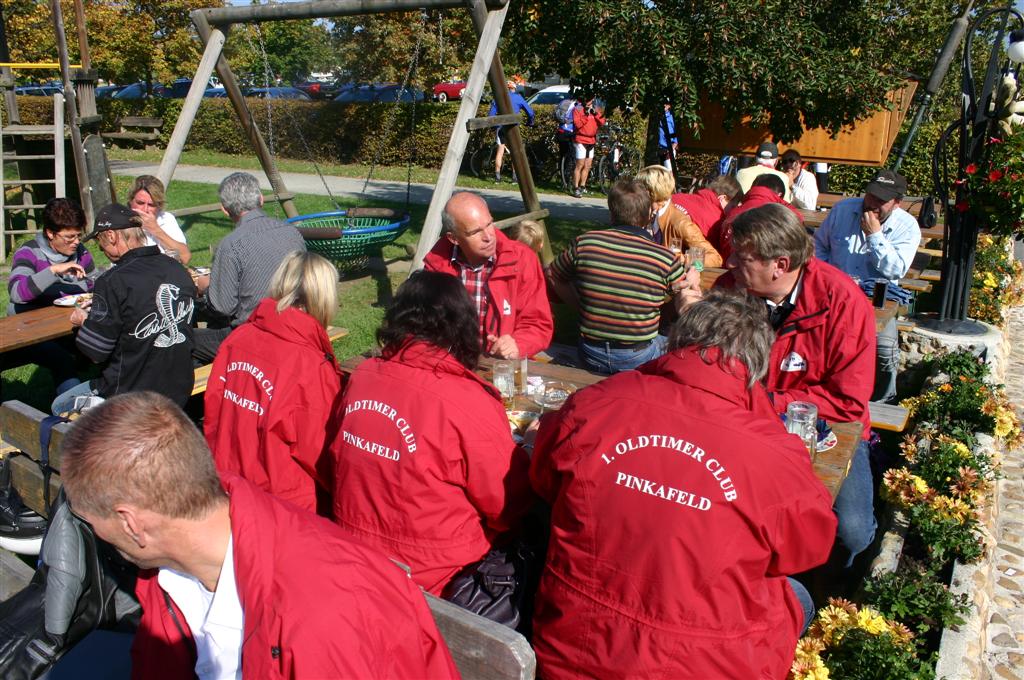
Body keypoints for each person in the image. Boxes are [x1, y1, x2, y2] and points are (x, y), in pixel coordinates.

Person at [529, 289, 837, 679]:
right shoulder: (774, 454)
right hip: (708, 664)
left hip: (572, 650)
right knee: (799, 596)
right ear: (756, 367)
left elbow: (542, 479)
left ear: (677, 341)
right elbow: (807, 549)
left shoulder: (594, 404)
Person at [60, 392, 459, 679]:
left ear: (132, 524)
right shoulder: (168, 571)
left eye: (89, 520)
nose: (94, 533)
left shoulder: (328, 622)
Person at [331, 271, 533, 595]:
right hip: (439, 577)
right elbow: (509, 504)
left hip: (357, 551)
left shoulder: (363, 377)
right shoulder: (465, 400)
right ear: (462, 325)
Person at [715, 204, 877, 568]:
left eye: (742, 257)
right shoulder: (731, 289)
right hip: (745, 419)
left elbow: (848, 402)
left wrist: (769, 400)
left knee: (851, 529)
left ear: (780, 266)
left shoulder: (843, 303)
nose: (729, 263)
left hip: (831, 430)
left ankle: (835, 591)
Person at [204, 252, 344, 515]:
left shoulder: (239, 337)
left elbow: (214, 413)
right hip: (283, 501)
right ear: (325, 296)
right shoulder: (310, 364)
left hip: (230, 482)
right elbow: (319, 451)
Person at [51, 204, 196, 415]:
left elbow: (95, 353)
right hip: (178, 388)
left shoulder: (112, 281)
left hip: (128, 395)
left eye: (100, 243)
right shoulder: (176, 268)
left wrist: (84, 321)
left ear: (111, 236)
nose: (101, 250)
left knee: (59, 406)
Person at [547, 179, 701, 374]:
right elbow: (682, 293)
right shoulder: (664, 258)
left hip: (589, 352)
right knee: (677, 345)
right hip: (637, 357)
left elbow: (552, 274)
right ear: (648, 214)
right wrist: (692, 281)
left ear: (612, 213)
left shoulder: (585, 243)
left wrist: (579, 306)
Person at [814, 169, 920, 403]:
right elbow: (818, 246)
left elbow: (896, 270)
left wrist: (875, 236)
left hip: (878, 300)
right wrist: (825, 275)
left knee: (885, 349)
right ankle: (825, 395)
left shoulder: (908, 226)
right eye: (870, 195)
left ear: (897, 203)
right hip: (834, 293)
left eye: (881, 200)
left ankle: (881, 403)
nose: (872, 203)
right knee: (817, 339)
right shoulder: (843, 210)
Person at [192, 172, 306, 364]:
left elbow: (223, 307)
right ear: (261, 199)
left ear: (225, 210)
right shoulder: (292, 233)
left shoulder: (231, 245)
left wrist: (205, 286)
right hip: (295, 323)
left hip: (255, 334)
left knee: (183, 339)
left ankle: (201, 392)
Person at [424, 192, 553, 359]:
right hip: (447, 362)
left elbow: (538, 323)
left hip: (499, 365)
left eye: (489, 224)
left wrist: (517, 344)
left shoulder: (522, 259)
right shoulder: (436, 266)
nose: (488, 236)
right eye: (475, 232)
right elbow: (421, 323)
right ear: (454, 238)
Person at [5, 198, 94, 396]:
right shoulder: (28, 252)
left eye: (78, 235)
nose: (76, 242)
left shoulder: (81, 253)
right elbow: (17, 292)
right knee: (61, 359)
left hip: (68, 326)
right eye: (69, 237)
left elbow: (92, 282)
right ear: (50, 233)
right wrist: (53, 271)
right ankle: (73, 414)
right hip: (30, 331)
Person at [635, 165, 722, 267]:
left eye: (639, 190)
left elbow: (715, 258)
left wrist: (683, 259)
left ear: (651, 192)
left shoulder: (680, 223)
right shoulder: (650, 213)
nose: (635, 194)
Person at [718, 173, 804, 262]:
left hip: (729, 265)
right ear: (779, 195)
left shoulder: (733, 211)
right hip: (763, 268)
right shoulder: (781, 214)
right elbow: (798, 221)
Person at [127, 175, 191, 264]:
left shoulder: (165, 219)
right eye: (140, 203)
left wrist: (155, 229)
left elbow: (185, 257)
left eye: (151, 205)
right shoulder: (122, 220)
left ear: (159, 206)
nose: (145, 209)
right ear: (130, 201)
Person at [671, 173, 742, 247]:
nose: (733, 210)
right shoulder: (717, 223)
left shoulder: (676, 197)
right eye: (733, 206)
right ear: (722, 198)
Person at [487, 80, 535, 184]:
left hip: (501, 128)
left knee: (500, 152)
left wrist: (494, 126)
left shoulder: (498, 98)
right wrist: (530, 122)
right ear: (514, 88)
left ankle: (497, 178)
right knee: (514, 152)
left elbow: (491, 114)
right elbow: (530, 112)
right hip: (513, 129)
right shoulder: (518, 98)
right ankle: (514, 178)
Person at [571, 97, 606, 197]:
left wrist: (596, 114)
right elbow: (577, 125)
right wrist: (586, 115)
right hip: (581, 140)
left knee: (587, 165)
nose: (589, 102)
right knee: (579, 165)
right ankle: (576, 188)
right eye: (588, 99)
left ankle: (582, 186)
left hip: (591, 140)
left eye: (591, 100)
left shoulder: (595, 109)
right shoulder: (578, 109)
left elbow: (602, 122)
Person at [657, 101, 677, 170]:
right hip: (659, 150)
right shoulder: (657, 117)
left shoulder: (671, 118)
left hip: (668, 149)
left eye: (666, 104)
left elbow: (676, 135)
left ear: (669, 106)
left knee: (668, 172)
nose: (663, 105)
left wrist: (671, 149)